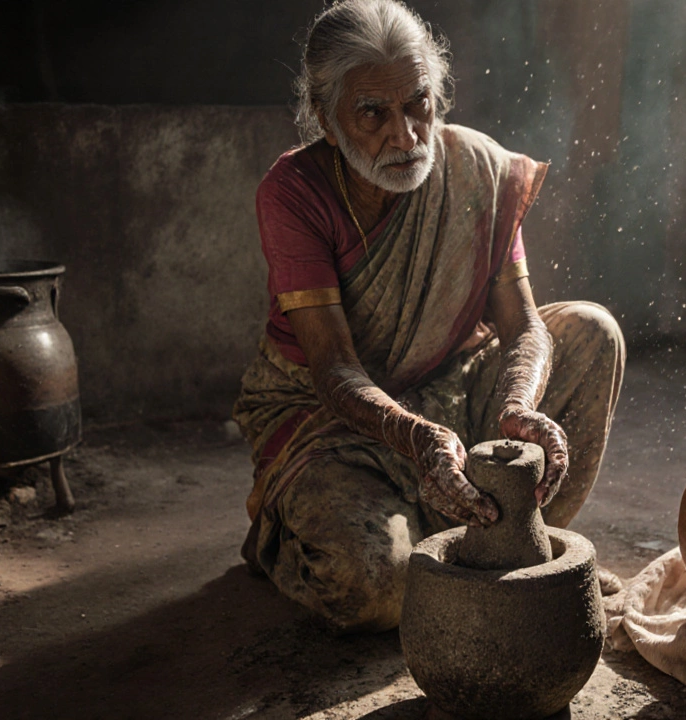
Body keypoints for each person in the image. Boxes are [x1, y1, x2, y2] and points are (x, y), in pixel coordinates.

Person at [232, 0, 625, 632]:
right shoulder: (295, 192)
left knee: (592, 331)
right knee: (377, 592)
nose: (406, 134)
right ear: (327, 123)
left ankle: (504, 539)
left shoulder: (476, 170)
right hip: (330, 421)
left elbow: (525, 326)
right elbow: (333, 370)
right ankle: (291, 539)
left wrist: (519, 403)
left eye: (419, 103)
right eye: (372, 114)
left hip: (453, 385)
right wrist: (421, 439)